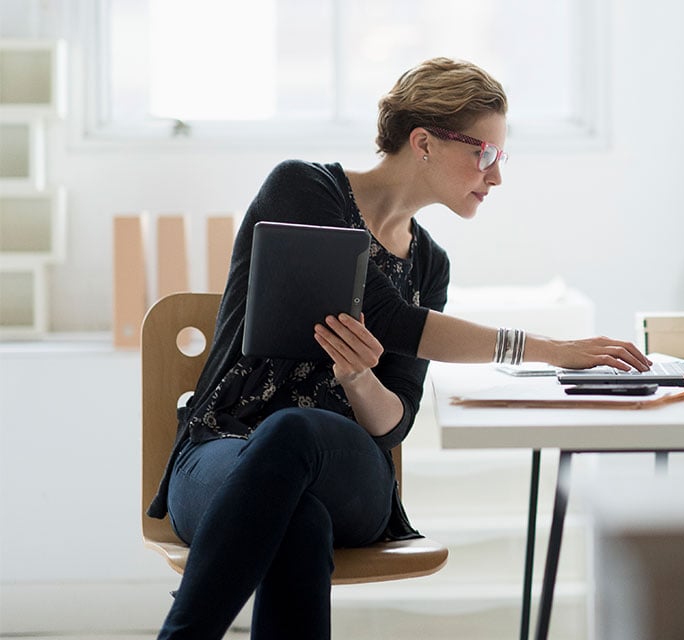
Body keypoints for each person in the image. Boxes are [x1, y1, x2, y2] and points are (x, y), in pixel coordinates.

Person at [150, 57, 652, 639]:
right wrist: (551, 348)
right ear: (425, 143)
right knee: (298, 520)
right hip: (221, 451)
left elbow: (393, 424)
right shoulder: (303, 188)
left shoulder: (431, 263)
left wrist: (360, 378)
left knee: (294, 430)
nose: (495, 177)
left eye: (500, 158)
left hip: (349, 475)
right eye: (485, 155)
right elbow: (388, 315)